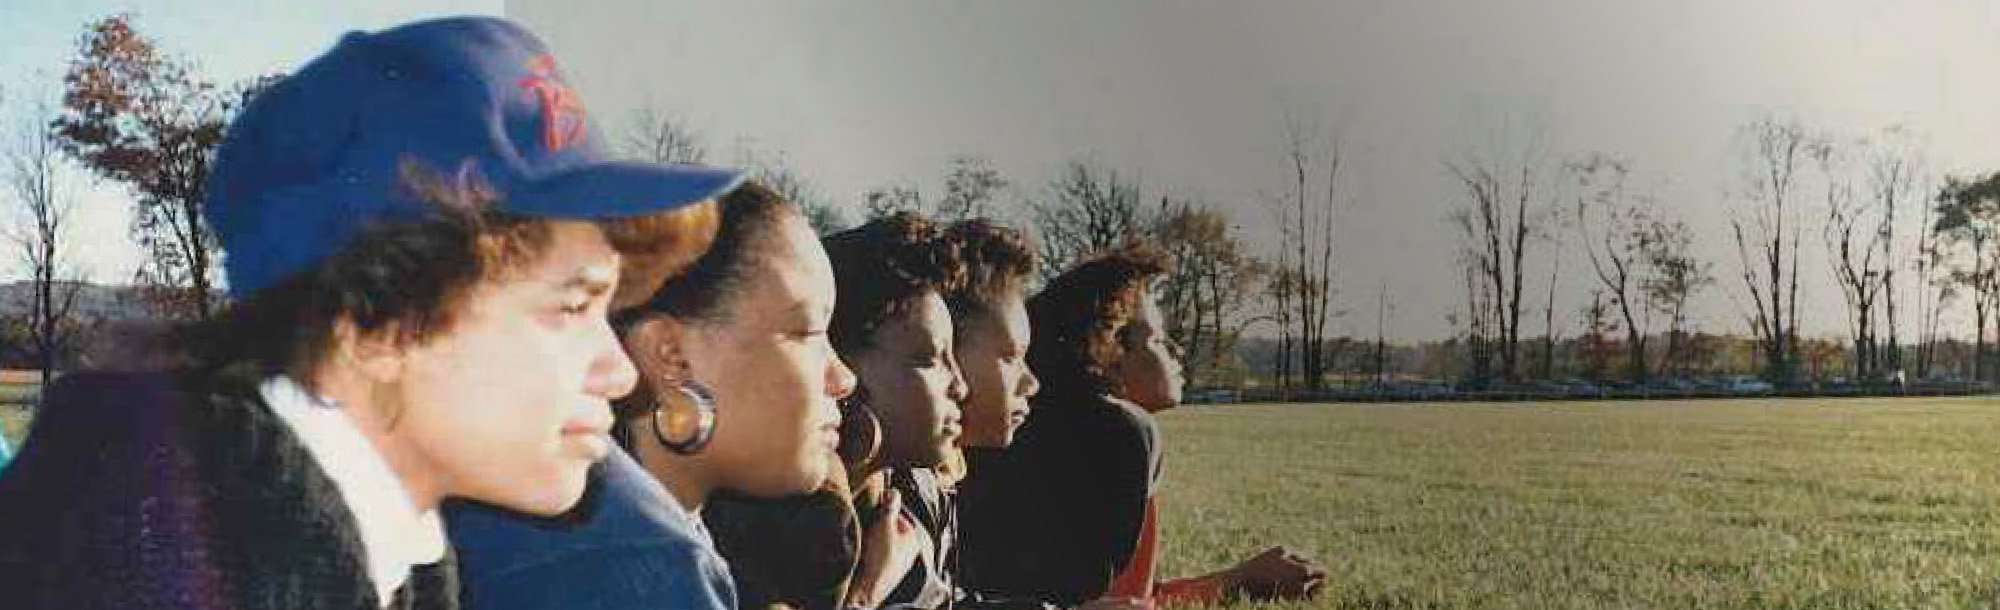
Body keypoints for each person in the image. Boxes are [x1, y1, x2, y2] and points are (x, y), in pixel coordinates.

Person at [0, 16, 738, 609]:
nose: (618, 371)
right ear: (374, 322)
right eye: (573, 306)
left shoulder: (377, 551)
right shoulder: (150, 568)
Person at [450, 180, 863, 610]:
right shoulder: (639, 568)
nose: (842, 378)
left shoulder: (552, 521)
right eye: (808, 332)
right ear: (672, 358)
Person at [956, 241, 1327, 609]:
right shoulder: (1126, 433)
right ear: (1109, 351)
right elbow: (1127, 604)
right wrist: (1234, 580)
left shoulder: (1024, 428)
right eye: (1158, 340)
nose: (1177, 352)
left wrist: (1238, 579)